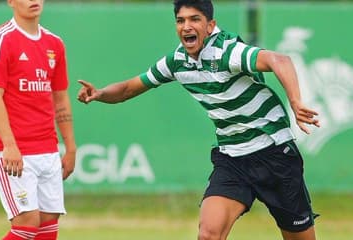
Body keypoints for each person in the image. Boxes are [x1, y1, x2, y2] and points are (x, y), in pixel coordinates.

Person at [77, 0, 320, 239]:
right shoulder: (177, 61)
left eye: (195, 19)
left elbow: (280, 60)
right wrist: (99, 94)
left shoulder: (228, 51)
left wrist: (296, 101)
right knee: (208, 234)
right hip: (232, 158)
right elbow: (129, 88)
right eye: (180, 21)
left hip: (274, 153)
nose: (186, 26)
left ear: (210, 25)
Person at [0, 0, 76, 239]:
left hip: (48, 148)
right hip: (16, 150)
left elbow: (60, 98)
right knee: (27, 222)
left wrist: (70, 147)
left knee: (48, 222)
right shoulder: (0, 39)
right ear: (11, 2)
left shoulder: (55, 43)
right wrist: (9, 145)